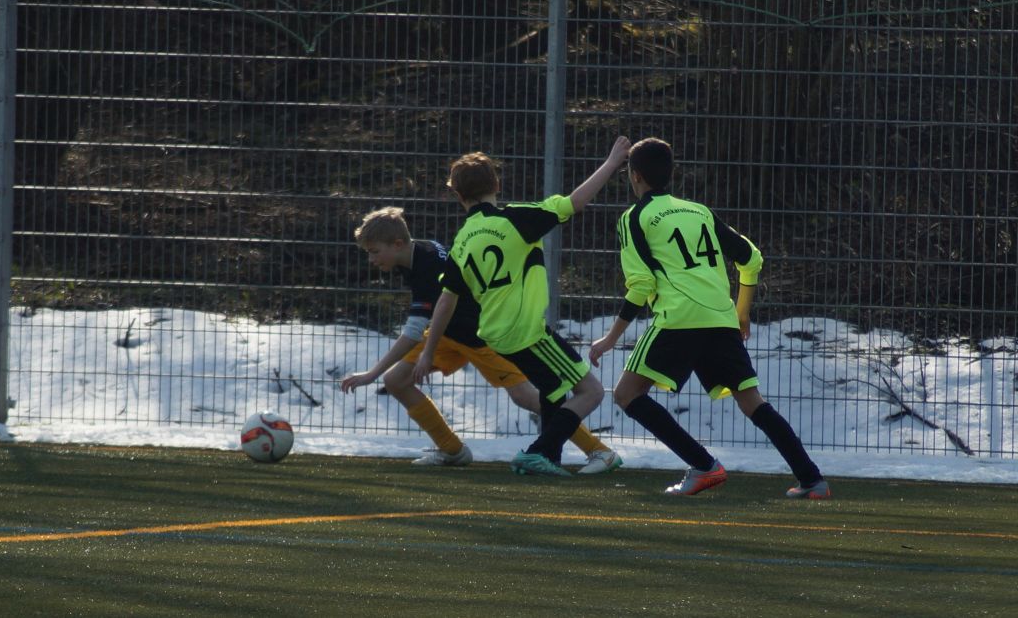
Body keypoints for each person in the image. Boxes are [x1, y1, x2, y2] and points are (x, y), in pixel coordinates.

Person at [589, 137, 831, 499]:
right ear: (671, 173)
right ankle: (812, 480)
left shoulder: (634, 217)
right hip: (721, 319)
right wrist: (741, 312)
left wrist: (610, 338)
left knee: (627, 394)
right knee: (753, 402)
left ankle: (704, 465)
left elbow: (641, 285)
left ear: (634, 176)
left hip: (678, 319)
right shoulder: (698, 211)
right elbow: (751, 258)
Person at [341, 206, 622, 474]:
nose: (371, 259)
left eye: (374, 252)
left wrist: (371, 374)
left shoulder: (427, 267)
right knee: (396, 380)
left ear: (398, 243)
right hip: (446, 334)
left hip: (482, 338)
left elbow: (414, 331)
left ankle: (599, 451)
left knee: (527, 397)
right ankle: (452, 450)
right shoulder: (413, 254)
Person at [413, 136, 633, 476]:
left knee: (553, 389)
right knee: (591, 392)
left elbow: (446, 300)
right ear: (497, 185)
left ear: (458, 195)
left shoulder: (463, 240)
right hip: (526, 331)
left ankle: (547, 458)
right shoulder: (516, 219)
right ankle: (538, 451)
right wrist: (611, 163)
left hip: (495, 333)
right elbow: (575, 202)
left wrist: (428, 352)